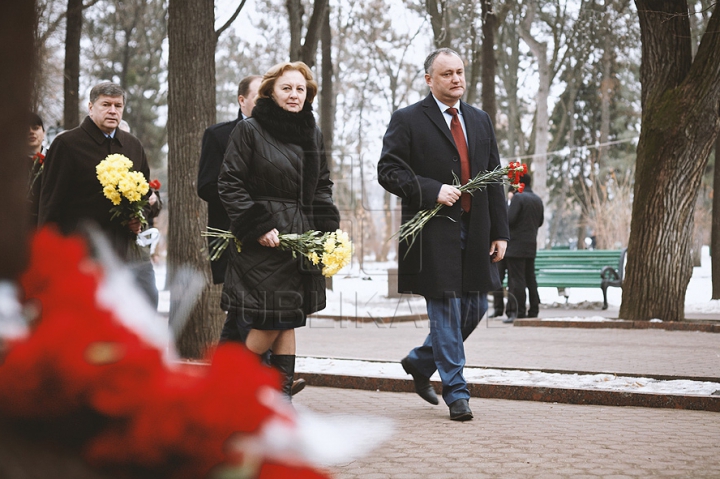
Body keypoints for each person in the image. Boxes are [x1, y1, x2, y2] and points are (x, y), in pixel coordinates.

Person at [378, 48, 509, 421]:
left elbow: (495, 177)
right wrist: (431, 188)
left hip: (477, 230)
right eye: (447, 73)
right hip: (433, 231)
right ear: (429, 79)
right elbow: (388, 170)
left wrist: (501, 231)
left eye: (460, 72)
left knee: (476, 307)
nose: (456, 79)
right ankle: (456, 391)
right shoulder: (407, 120)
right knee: (446, 311)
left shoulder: (480, 120)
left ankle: (420, 362)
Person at [217, 62, 339, 400]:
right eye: (287, 88)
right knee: (271, 320)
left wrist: (326, 229)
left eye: (300, 89)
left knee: (288, 318)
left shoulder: (311, 132)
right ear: (271, 91)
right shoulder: (250, 130)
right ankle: (232, 389)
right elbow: (229, 183)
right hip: (263, 243)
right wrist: (257, 225)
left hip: (300, 241)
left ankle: (279, 398)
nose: (294, 94)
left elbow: (322, 184)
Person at [38, 82, 158, 308]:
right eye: (106, 104)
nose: (113, 110)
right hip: (79, 254)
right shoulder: (67, 145)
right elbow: (50, 204)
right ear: (91, 107)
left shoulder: (133, 145)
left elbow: (144, 195)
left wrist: (138, 217)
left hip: (122, 255)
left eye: (118, 105)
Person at [198, 75, 261, 341]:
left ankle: (223, 377)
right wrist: (246, 202)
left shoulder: (279, 137)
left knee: (240, 314)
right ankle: (270, 377)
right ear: (242, 100)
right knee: (252, 310)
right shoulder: (219, 135)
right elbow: (207, 186)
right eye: (259, 98)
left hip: (269, 238)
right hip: (233, 236)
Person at [503, 173, 544, 323]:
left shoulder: (518, 198)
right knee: (530, 278)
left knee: (516, 280)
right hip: (530, 246)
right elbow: (540, 222)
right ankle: (534, 309)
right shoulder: (537, 199)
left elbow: (509, 220)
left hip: (515, 247)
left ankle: (518, 312)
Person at [28, 112, 46, 224]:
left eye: (35, 128)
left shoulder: (55, 158)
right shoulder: (13, 164)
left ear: (44, 133)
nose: (31, 132)